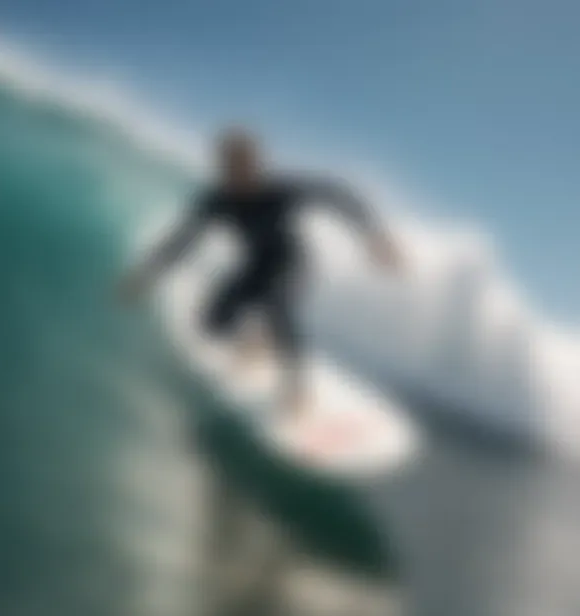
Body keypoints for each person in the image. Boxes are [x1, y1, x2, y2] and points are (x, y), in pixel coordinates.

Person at [117, 128, 403, 419]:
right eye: (232, 166)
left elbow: (337, 194)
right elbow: (181, 240)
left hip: (292, 263)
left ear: (256, 164)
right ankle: (254, 342)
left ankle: (296, 385)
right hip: (255, 265)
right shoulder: (218, 200)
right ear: (225, 167)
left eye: (247, 165)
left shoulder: (279, 190)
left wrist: (373, 235)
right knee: (211, 322)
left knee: (276, 307)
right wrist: (146, 275)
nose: (241, 173)